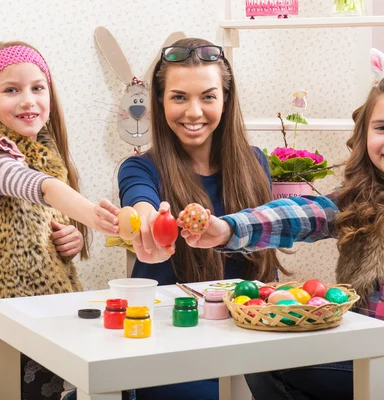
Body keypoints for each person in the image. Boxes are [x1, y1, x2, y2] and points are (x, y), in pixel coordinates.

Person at [180, 49, 384, 399]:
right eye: (381, 128)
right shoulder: (358, 200)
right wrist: (229, 228)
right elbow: (300, 213)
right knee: (264, 365)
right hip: (365, 355)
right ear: (365, 132)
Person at [114, 38, 284, 399]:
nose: (193, 112)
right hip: (167, 345)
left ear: (225, 99)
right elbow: (139, 203)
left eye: (207, 96)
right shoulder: (139, 168)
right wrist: (147, 222)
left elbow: (265, 245)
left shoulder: (255, 163)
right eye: (179, 97)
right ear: (159, 103)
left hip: (246, 343)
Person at [0, 41, 119, 400]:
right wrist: (90, 214)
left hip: (48, 313)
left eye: (37, 88)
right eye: (11, 90)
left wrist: (69, 241)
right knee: (40, 366)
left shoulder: (48, 157)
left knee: (117, 346)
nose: (28, 100)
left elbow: (40, 226)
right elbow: (35, 186)